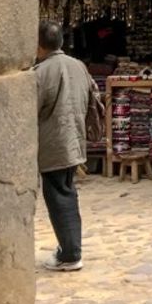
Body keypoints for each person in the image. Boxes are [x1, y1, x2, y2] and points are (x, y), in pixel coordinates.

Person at [34, 20, 91, 271]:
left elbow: (31, 111)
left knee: (59, 196)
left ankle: (70, 254)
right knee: (67, 193)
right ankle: (69, 249)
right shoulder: (78, 66)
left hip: (53, 144)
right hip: (74, 139)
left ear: (39, 45)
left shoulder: (40, 72)